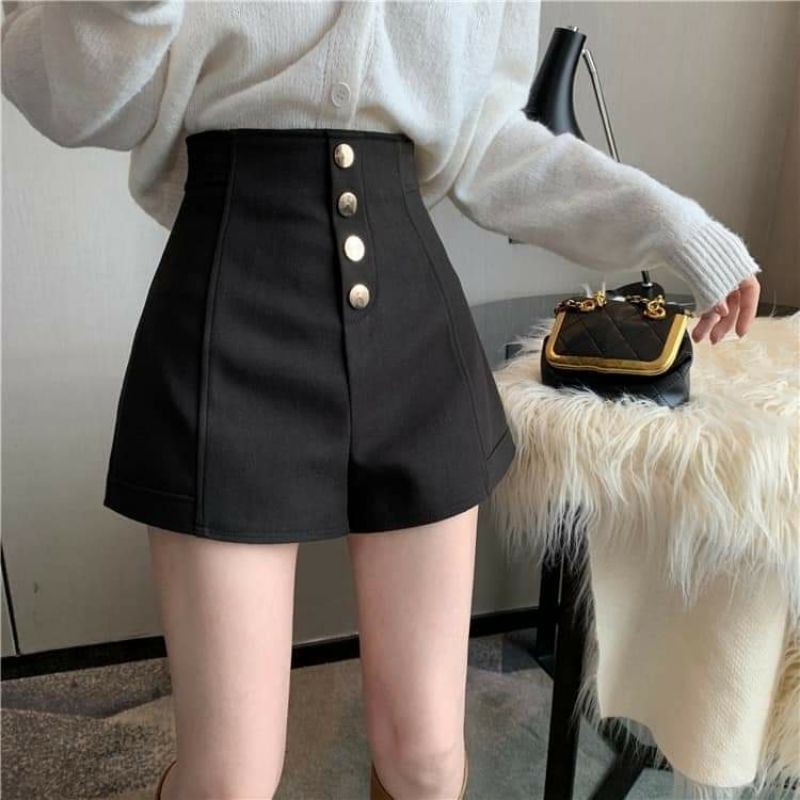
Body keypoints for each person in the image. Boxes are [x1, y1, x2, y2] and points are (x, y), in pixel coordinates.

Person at [1, 2, 762, 799]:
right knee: (228, 779)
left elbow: (488, 140)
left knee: (426, 762)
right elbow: (68, 92)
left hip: (410, 318)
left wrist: (673, 227)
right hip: (230, 300)